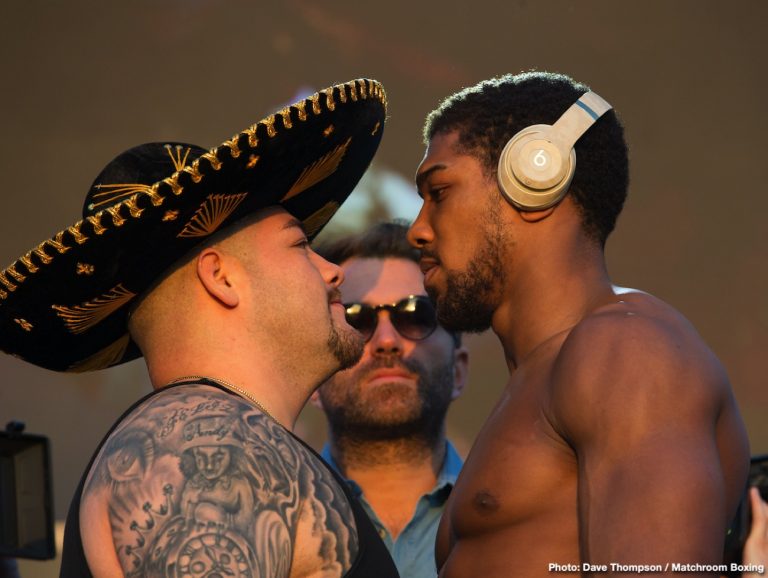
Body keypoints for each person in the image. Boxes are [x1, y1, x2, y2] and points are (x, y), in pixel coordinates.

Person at [0, 79, 400, 577]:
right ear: (221, 277)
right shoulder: (215, 450)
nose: (332, 271)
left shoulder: (216, 439)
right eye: (299, 245)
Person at [407, 70, 750, 575]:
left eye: (438, 192)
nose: (417, 230)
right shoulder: (546, 372)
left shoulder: (627, 352)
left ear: (535, 175)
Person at [310, 221, 468, 578]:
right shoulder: (269, 522)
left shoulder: (526, 516)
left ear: (459, 370)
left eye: (415, 315)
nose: (386, 340)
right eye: (354, 320)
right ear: (313, 383)